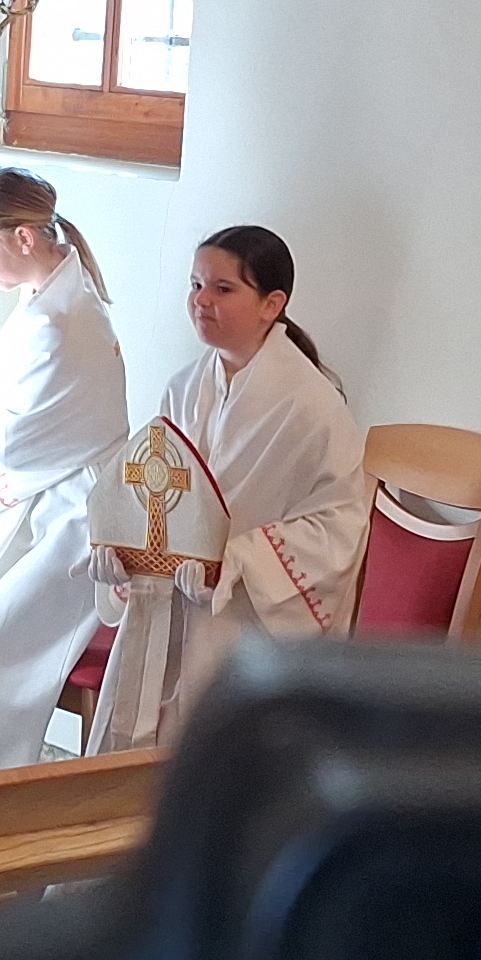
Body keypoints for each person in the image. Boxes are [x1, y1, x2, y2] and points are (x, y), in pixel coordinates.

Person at [92, 226, 367, 749]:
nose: (201, 301)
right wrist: (126, 552)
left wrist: (237, 560)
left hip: (245, 619)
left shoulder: (313, 406)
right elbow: (153, 489)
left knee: (208, 759)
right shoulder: (184, 386)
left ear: (272, 304)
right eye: (196, 285)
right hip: (167, 604)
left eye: (223, 289)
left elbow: (339, 525)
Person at [0, 171, 128, 778]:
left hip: (73, 525)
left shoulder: (56, 322)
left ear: (25, 238)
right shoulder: (54, 294)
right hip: (43, 495)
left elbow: (14, 446)